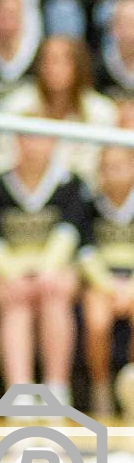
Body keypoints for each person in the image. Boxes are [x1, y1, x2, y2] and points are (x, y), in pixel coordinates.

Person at [0, 131, 89, 414]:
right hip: (9, 271)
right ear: (16, 142)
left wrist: (46, 271)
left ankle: (56, 388)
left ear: (53, 143)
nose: (33, 146)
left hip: (54, 269)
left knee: (55, 292)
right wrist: (12, 274)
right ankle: (19, 392)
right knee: (14, 298)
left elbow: (69, 233)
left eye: (41, 138)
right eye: (27, 138)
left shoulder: (70, 184)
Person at [0, 36, 117, 185]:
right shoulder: (16, 105)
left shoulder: (102, 111)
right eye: (47, 60)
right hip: (23, 189)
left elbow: (104, 172)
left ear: (79, 65)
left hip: (82, 195)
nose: (53, 67)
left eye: (64, 60)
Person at [78, 146, 134, 416]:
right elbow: (86, 252)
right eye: (107, 168)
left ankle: (130, 388)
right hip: (102, 283)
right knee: (97, 322)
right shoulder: (90, 206)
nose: (113, 173)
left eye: (119, 166)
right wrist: (109, 287)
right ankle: (100, 389)